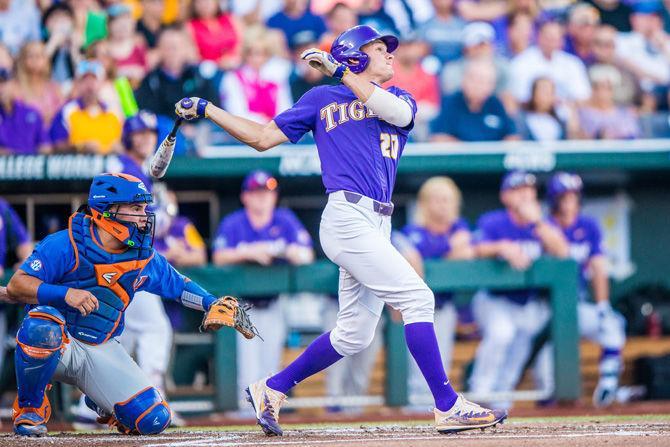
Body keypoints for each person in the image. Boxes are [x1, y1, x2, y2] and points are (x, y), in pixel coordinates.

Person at [174, 24, 507, 435]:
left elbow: (400, 115)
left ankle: (272, 388)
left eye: (389, 49)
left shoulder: (397, 97)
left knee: (354, 335)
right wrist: (209, 109)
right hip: (347, 216)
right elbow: (261, 138)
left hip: (378, 221)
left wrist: (340, 72)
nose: (389, 54)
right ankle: (447, 404)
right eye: (379, 48)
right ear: (355, 54)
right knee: (418, 298)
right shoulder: (321, 97)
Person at [5, 173, 253, 437]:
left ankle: (101, 399)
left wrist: (210, 302)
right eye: (136, 209)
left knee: (154, 419)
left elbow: (178, 285)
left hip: (102, 346)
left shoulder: (141, 255)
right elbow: (17, 286)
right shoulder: (65, 243)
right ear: (107, 211)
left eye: (144, 209)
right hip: (59, 345)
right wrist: (66, 294)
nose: (144, 216)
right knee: (41, 326)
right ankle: (30, 409)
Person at [213, 170, 314, 403]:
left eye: (267, 193)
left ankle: (265, 413)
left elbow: (306, 254)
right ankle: (241, 419)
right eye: (256, 193)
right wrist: (248, 252)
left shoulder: (284, 219)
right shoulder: (234, 223)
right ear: (245, 196)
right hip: (242, 309)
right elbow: (219, 257)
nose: (262, 198)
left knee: (270, 367)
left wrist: (278, 251)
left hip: (274, 304)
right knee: (246, 372)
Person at [469, 171, 569, 409]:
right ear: (505, 196)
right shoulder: (493, 221)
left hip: (529, 303)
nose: (525, 194)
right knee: (502, 333)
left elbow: (563, 252)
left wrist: (537, 222)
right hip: (494, 299)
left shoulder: (544, 225)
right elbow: (472, 248)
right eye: (517, 189)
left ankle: (502, 398)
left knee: (522, 342)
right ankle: (479, 392)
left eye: (529, 189)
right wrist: (500, 247)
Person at [534, 172, 626, 407]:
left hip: (576, 304)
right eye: (563, 196)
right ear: (554, 199)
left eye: (573, 196)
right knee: (547, 375)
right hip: (544, 307)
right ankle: (548, 410)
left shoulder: (588, 226)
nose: (569, 201)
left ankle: (608, 383)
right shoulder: (543, 227)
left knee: (612, 324)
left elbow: (598, 265)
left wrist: (603, 304)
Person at [393, 177, 474, 408]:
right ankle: (416, 414)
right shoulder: (411, 232)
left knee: (441, 366)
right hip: (412, 313)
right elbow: (398, 244)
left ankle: (438, 410)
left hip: (443, 307)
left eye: (447, 200)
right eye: (436, 200)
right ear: (424, 203)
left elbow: (467, 249)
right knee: (417, 372)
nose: (442, 205)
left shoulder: (460, 229)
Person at [431, 59, 517, 142]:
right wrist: (470, 152)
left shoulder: (496, 104)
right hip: (461, 156)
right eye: (477, 80)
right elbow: (439, 138)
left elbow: (513, 136)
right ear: (465, 80)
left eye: (487, 82)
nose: (480, 86)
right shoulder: (450, 103)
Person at [509, 19, 591, 104]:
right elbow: (518, 96)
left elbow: (583, 96)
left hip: (567, 112)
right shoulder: (521, 62)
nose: (551, 43)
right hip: (531, 114)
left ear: (561, 41)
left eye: (555, 39)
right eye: (548, 38)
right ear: (539, 37)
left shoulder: (573, 63)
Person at [49, 60, 123, 154]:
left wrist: (118, 149)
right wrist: (80, 148)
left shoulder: (114, 112)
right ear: (77, 84)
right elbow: (57, 145)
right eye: (84, 80)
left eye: (94, 79)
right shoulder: (67, 111)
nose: (90, 85)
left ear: (102, 83)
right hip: (78, 166)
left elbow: (123, 143)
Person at [578, 64, 640, 139]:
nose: (603, 93)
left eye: (609, 88)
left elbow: (633, 135)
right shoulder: (583, 113)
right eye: (600, 87)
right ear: (593, 89)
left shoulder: (624, 114)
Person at [0, 66, 50, 154]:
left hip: (32, 165)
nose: (1, 88)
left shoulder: (31, 113)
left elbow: (45, 146)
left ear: (13, 84)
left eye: (4, 82)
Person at [14, 41, 64, 127]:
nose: (35, 60)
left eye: (39, 56)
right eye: (31, 56)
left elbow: (62, 112)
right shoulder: (16, 89)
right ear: (23, 60)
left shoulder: (54, 87)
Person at [515, 77, 581, 141]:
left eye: (551, 92)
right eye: (544, 91)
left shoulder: (560, 120)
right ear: (533, 93)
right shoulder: (521, 119)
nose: (547, 95)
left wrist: (572, 115)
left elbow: (573, 141)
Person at [187, 0, 242, 69]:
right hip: (208, 72)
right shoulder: (190, 27)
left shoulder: (231, 19)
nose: (205, 5)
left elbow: (241, 44)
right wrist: (218, 64)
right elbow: (193, 57)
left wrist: (235, 59)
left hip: (236, 67)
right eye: (200, 2)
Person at [106, 3, 149, 87]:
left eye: (126, 21)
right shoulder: (103, 50)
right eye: (117, 22)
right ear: (109, 25)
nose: (122, 26)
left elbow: (146, 72)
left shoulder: (139, 48)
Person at [416, 0, 466, 66]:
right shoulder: (425, 25)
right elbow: (420, 50)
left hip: (458, 65)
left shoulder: (462, 24)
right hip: (433, 64)